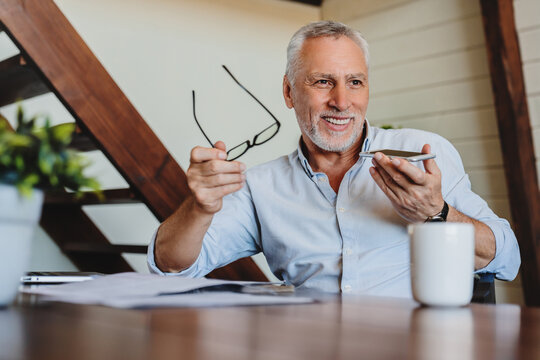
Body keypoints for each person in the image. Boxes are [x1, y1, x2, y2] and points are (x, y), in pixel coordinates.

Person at [147, 21, 520, 297]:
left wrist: (438, 212)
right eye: (323, 81)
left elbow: (507, 259)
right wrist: (199, 207)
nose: (342, 102)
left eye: (355, 82)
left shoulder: (424, 154)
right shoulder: (260, 186)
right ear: (289, 91)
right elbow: (170, 266)